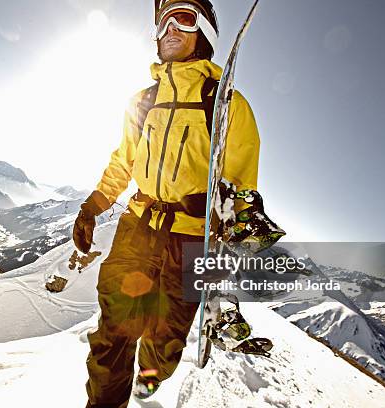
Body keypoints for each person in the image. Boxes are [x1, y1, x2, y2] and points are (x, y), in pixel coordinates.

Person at [73, 1, 260, 406]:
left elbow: (241, 185)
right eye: (163, 21)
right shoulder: (143, 100)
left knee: (166, 343)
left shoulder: (226, 104)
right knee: (112, 337)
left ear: (205, 32)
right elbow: (124, 160)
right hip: (138, 228)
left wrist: (224, 217)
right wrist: (95, 204)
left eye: (184, 18)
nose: (170, 28)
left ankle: (149, 377)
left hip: (191, 243)